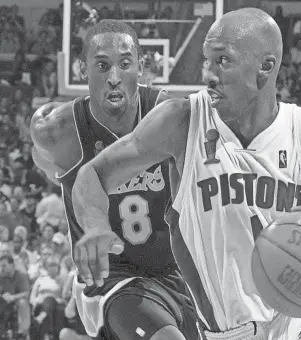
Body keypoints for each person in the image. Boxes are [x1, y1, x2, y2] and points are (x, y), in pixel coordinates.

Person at [71, 9, 301, 340]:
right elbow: (93, 175)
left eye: (223, 61)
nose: (208, 73)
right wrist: (97, 227)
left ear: (265, 68)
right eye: (206, 60)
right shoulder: (180, 123)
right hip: (226, 331)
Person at [30, 20, 198, 340]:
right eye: (102, 65)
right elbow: (47, 167)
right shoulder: (58, 131)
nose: (114, 78)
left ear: (141, 66)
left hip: (176, 272)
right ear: (82, 69)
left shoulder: (167, 114)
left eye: (124, 64)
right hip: (112, 277)